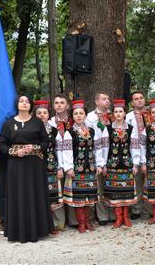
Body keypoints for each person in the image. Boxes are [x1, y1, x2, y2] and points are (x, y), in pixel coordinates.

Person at [0, 94, 54, 243]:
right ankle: (17, 231)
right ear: (17, 104)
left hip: (34, 165)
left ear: (31, 105)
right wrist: (14, 152)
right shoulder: (9, 124)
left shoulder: (37, 122)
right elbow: (2, 144)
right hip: (16, 166)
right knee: (18, 195)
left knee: (34, 194)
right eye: (21, 101)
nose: (24, 103)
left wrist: (34, 147)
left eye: (27, 102)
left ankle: (38, 229)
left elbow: (46, 142)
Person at [62, 100, 104, 233]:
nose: (79, 116)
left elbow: (97, 148)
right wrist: (69, 167)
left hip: (90, 168)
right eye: (76, 113)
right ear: (72, 116)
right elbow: (67, 151)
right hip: (77, 169)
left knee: (88, 196)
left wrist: (99, 164)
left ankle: (87, 222)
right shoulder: (70, 133)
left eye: (81, 113)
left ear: (85, 115)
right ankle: (81, 223)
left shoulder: (92, 131)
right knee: (78, 197)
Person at [101, 99, 140, 228]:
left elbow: (134, 147)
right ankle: (118, 218)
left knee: (126, 191)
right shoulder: (107, 129)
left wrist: (135, 164)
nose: (118, 114)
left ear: (124, 113)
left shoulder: (131, 129)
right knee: (115, 192)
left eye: (120, 111)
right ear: (113, 114)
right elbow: (105, 148)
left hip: (127, 163)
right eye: (116, 112)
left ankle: (126, 217)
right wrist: (104, 164)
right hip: (112, 164)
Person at [34, 100, 65, 233]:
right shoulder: (31, 129)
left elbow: (60, 149)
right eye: (39, 113)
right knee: (38, 193)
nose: (42, 115)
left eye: (44, 113)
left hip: (51, 164)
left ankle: (56, 223)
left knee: (53, 193)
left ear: (48, 115)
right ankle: (41, 223)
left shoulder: (54, 131)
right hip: (35, 164)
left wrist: (60, 167)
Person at [49, 94, 78, 228]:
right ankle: (59, 222)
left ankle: (75, 220)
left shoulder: (75, 121)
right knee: (58, 191)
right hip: (55, 162)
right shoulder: (49, 123)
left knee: (72, 189)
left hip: (75, 161)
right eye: (56, 102)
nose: (59, 105)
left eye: (62, 102)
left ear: (68, 106)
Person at [85, 92, 115, 225]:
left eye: (108, 99)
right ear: (97, 102)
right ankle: (102, 216)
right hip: (98, 152)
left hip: (114, 153)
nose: (107, 101)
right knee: (100, 186)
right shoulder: (90, 117)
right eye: (104, 99)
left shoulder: (113, 115)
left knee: (113, 184)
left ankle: (114, 214)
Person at [126, 91, 152, 219]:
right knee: (136, 182)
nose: (139, 100)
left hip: (151, 150)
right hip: (135, 150)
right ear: (132, 102)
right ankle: (136, 209)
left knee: (151, 181)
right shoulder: (128, 116)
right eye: (136, 99)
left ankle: (150, 209)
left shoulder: (151, 113)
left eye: (141, 98)